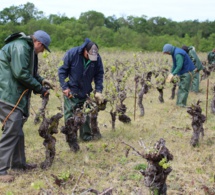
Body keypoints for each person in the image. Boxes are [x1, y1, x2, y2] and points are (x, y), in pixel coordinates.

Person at [0, 30, 53, 182]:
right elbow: (21, 73)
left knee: (17, 130)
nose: (43, 51)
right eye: (44, 48)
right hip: (6, 94)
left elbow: (30, 72)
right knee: (12, 130)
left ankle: (18, 164)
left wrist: (42, 81)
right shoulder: (21, 47)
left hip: (11, 94)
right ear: (39, 43)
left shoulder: (28, 49)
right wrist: (39, 89)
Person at [58, 38, 104, 152]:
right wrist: (65, 87)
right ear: (85, 51)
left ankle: (86, 136)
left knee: (86, 114)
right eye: (89, 56)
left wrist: (98, 90)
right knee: (70, 115)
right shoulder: (72, 54)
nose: (92, 59)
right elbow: (62, 71)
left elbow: (99, 74)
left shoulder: (96, 58)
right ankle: (71, 138)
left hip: (86, 90)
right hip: (72, 90)